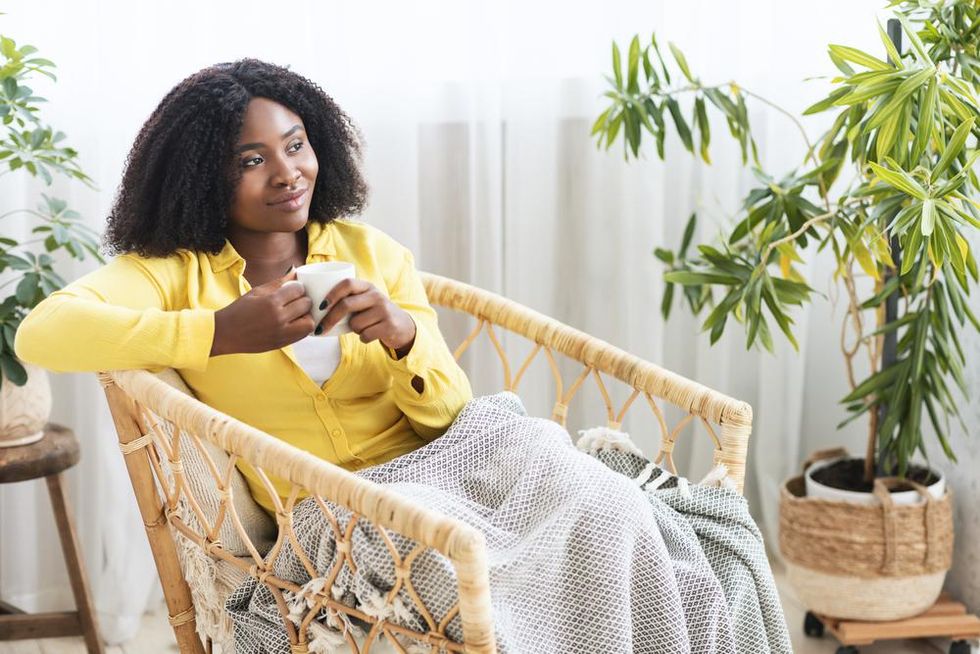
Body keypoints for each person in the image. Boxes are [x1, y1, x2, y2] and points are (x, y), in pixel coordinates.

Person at [14, 59, 473, 513]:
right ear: (200, 178)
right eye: (252, 160)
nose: (287, 173)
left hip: (443, 481)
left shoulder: (374, 252)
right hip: (328, 523)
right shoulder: (174, 273)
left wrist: (404, 338)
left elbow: (453, 420)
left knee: (519, 434)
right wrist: (221, 332)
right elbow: (40, 334)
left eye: (295, 146)